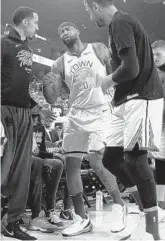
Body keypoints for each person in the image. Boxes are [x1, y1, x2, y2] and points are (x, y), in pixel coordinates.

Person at [43, 21, 132, 237]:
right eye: (61, 31)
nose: (64, 32)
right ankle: (82, 219)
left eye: (67, 28)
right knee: (71, 165)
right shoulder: (58, 63)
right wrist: (46, 94)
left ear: (77, 31)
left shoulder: (98, 48)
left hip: (101, 110)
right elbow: (51, 96)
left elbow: (115, 74)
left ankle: (120, 207)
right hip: (76, 114)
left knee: (96, 160)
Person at [84, 0, 164, 240]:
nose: (89, 17)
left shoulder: (120, 21)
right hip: (124, 101)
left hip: (142, 97)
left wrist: (106, 80)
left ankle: (154, 231)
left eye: (87, 11)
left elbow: (130, 69)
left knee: (136, 160)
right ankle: (147, 207)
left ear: (94, 6)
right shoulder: (116, 27)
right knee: (110, 158)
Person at [1, 6, 39, 240]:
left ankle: (12, 222)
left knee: (21, 170)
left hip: (23, 113)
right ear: (25, 22)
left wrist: (37, 107)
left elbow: (20, 86)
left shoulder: (26, 47)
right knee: (3, 168)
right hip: (4, 112)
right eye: (35, 22)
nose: (37, 26)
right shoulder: (3, 43)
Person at [27, 113, 64, 232]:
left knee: (58, 164)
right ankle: (36, 214)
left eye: (38, 119)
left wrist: (53, 154)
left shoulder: (39, 127)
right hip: (24, 159)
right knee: (37, 163)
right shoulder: (21, 123)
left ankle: (51, 210)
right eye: (34, 119)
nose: (36, 122)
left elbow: (41, 150)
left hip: (38, 158)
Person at [151, 40, 165, 210]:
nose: (155, 58)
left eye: (158, 54)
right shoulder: (153, 74)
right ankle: (161, 206)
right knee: (161, 165)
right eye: (153, 55)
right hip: (159, 125)